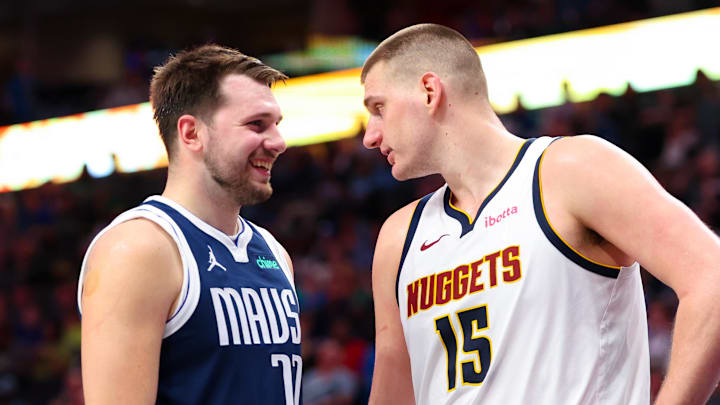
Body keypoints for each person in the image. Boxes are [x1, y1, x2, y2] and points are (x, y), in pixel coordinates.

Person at [361, 24, 720, 405]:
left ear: (430, 92)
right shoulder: (399, 237)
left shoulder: (571, 169)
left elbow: (711, 279)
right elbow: (394, 389)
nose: (369, 135)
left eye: (378, 108)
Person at [77, 45, 302, 404]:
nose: (278, 142)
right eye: (257, 124)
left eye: (276, 125)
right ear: (191, 133)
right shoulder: (139, 249)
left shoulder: (273, 251)